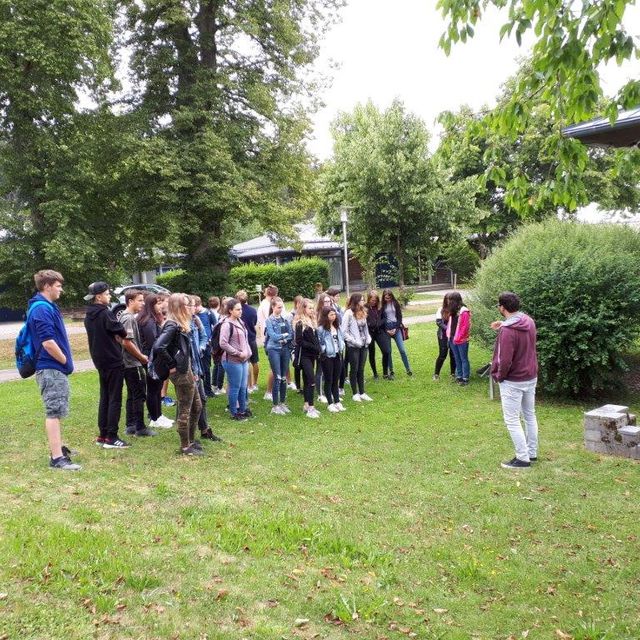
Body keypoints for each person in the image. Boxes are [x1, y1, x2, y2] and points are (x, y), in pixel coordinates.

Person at [28, 270, 79, 470]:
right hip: (50, 368)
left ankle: (59, 448)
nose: (61, 289)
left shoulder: (47, 306)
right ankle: (57, 458)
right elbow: (48, 342)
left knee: (57, 409)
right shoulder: (41, 309)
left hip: (54, 367)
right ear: (47, 285)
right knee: (53, 411)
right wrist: (65, 360)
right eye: (58, 286)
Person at [490, 292, 539, 469]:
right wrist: (502, 323)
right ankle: (532, 453)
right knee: (529, 415)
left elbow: (504, 360)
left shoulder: (507, 331)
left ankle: (522, 458)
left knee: (512, 419)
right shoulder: (529, 321)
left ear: (502, 308)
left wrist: (499, 376)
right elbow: (519, 328)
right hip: (530, 376)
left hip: (513, 380)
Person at [153, 293, 204, 455]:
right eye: (188, 305)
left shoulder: (181, 324)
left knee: (197, 406)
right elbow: (158, 347)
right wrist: (172, 365)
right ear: (179, 308)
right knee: (185, 409)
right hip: (181, 372)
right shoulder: (172, 325)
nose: (192, 308)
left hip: (187, 369)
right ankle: (185, 446)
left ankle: (191, 440)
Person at [84, 281, 130, 449]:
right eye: (108, 294)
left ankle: (103, 435)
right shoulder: (105, 313)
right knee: (114, 399)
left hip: (99, 360)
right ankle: (112, 436)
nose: (109, 296)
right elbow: (122, 331)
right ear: (99, 296)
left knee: (105, 397)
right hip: (112, 360)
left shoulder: (89, 314)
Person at [120, 290, 155, 438]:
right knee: (139, 394)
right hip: (132, 363)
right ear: (130, 301)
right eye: (139, 300)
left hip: (128, 362)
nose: (142, 303)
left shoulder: (124, 316)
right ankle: (140, 427)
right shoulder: (128, 318)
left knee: (132, 394)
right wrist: (141, 356)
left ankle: (131, 425)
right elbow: (126, 342)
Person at [137, 293, 174, 429]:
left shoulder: (153, 319)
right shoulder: (148, 321)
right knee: (153, 389)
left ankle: (159, 415)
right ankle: (154, 418)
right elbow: (154, 342)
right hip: (151, 359)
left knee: (157, 388)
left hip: (155, 358)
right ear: (151, 306)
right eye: (158, 303)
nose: (161, 305)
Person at [189, 297, 222, 442]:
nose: (194, 307)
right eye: (190, 305)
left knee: (201, 399)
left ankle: (204, 430)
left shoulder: (195, 320)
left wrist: (200, 348)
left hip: (196, 368)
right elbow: (163, 348)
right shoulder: (176, 325)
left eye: (194, 305)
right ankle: (188, 438)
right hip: (186, 370)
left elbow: (203, 336)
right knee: (188, 403)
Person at [219, 298, 252, 421]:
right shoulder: (227, 324)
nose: (240, 311)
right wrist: (237, 353)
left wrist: (248, 352)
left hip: (243, 360)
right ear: (230, 310)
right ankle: (234, 412)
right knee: (235, 387)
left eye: (241, 309)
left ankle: (242, 410)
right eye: (237, 309)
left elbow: (245, 339)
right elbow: (223, 343)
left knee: (243, 386)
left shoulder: (240, 321)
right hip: (232, 361)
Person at [264, 296, 293, 415]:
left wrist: (285, 338)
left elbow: (291, 335)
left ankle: (282, 403)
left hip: (285, 349)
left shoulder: (285, 320)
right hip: (274, 350)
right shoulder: (269, 320)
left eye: (282, 307)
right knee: (278, 377)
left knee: (284, 377)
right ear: (273, 307)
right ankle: (275, 405)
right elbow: (273, 336)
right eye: (278, 307)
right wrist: (283, 336)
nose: (281, 309)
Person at [341, 293, 373, 402]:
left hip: (364, 345)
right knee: (354, 369)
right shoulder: (348, 314)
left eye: (363, 300)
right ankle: (355, 393)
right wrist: (354, 341)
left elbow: (365, 328)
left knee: (361, 369)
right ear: (355, 301)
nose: (363, 302)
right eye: (361, 300)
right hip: (353, 346)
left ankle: (362, 392)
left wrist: (368, 339)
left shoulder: (363, 312)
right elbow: (344, 332)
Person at [295, 298, 322, 418]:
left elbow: (315, 338)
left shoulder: (313, 321)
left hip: (312, 355)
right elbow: (299, 341)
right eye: (309, 308)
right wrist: (314, 347)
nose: (312, 310)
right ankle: (311, 407)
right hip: (304, 356)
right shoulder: (300, 323)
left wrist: (318, 348)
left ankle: (306, 404)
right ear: (303, 309)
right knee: (311, 380)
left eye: (313, 308)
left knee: (307, 380)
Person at [317, 307, 346, 412]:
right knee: (329, 379)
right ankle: (330, 403)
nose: (333, 316)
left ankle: (337, 401)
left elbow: (341, 338)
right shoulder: (321, 329)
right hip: (327, 357)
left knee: (335, 379)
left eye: (334, 314)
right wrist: (325, 350)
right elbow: (319, 342)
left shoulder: (337, 327)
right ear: (326, 316)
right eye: (331, 315)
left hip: (338, 355)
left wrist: (341, 347)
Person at [382, 289, 413, 377]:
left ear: (391, 296)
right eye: (386, 297)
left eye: (389, 297)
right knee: (388, 351)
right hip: (386, 329)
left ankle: (408, 369)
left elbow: (399, 318)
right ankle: (391, 371)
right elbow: (381, 319)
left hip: (396, 328)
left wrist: (395, 328)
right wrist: (386, 329)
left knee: (402, 350)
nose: (387, 299)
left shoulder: (395, 304)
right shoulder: (382, 306)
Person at [257, 284, 278, 400]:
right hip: (269, 338)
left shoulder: (263, 304)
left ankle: (276, 388)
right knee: (273, 366)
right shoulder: (267, 306)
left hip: (268, 337)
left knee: (277, 366)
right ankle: (269, 392)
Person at [365, 290, 392, 379]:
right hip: (370, 333)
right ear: (368, 299)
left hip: (380, 331)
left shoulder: (380, 307)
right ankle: (375, 373)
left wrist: (379, 323)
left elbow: (384, 318)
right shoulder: (365, 307)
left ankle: (385, 373)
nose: (374, 302)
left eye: (375, 300)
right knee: (372, 353)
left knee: (387, 351)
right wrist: (371, 324)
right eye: (372, 301)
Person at [237, 290, 259, 393]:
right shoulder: (253, 310)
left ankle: (249, 385)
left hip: (242, 340)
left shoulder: (237, 311)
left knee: (247, 362)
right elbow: (254, 322)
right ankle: (255, 384)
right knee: (255, 361)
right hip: (252, 338)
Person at [447, 291, 471, 385]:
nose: (448, 302)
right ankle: (459, 376)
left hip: (461, 339)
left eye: (450, 300)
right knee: (456, 358)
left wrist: (459, 338)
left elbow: (465, 327)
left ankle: (465, 377)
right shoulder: (453, 311)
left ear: (454, 300)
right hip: (452, 338)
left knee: (463, 358)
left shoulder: (464, 311)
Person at [326, 287, 346, 396]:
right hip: (330, 348)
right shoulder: (329, 309)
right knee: (331, 372)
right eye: (337, 295)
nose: (338, 297)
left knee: (341, 366)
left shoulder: (337, 307)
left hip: (339, 341)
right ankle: (330, 392)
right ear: (331, 296)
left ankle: (340, 388)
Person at [314, 293, 333, 403]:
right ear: (321, 303)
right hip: (320, 347)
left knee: (328, 371)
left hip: (331, 346)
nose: (327, 303)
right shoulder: (317, 315)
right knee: (320, 371)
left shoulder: (331, 313)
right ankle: (320, 394)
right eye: (325, 302)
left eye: (328, 302)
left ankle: (328, 392)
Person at [194, 296, 215, 397]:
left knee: (206, 368)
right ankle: (199, 390)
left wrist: (211, 340)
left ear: (199, 305)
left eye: (195, 306)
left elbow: (215, 326)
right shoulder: (193, 316)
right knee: (197, 369)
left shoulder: (208, 313)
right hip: (195, 346)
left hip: (206, 345)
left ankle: (208, 390)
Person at [433, 293, 456, 380]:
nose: (449, 301)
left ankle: (453, 373)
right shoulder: (441, 310)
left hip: (454, 336)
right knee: (442, 354)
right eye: (448, 299)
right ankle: (436, 374)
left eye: (451, 299)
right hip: (443, 336)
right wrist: (449, 329)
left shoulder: (455, 310)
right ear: (445, 300)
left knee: (453, 354)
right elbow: (439, 322)